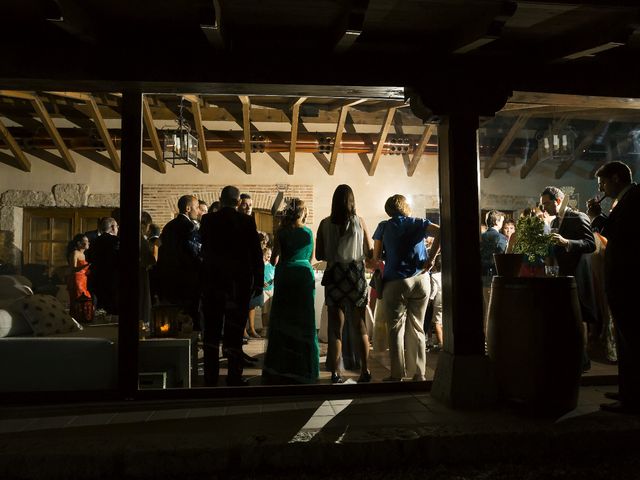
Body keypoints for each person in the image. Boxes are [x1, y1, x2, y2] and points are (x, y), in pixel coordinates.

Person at [588, 161, 640, 414]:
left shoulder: (634, 199)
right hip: (622, 280)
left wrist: (597, 217)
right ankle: (625, 390)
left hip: (628, 281)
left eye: (603, 183)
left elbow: (620, 236)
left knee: (631, 340)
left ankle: (632, 399)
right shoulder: (625, 199)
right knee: (623, 339)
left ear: (617, 178)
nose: (602, 188)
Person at [372, 194, 440, 381]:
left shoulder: (384, 227)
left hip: (395, 282)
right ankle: (419, 373)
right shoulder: (418, 223)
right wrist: (431, 259)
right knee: (417, 327)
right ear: (405, 207)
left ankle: (396, 374)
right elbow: (441, 232)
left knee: (395, 328)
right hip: (420, 279)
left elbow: (377, 257)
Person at [200, 186, 263, 386]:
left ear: (220, 199)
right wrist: (259, 281)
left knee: (211, 330)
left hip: (213, 282)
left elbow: (203, 247)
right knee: (234, 331)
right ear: (237, 202)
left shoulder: (208, 220)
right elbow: (256, 254)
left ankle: (210, 376)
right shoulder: (245, 221)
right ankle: (234, 376)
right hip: (238, 284)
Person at [316, 184, 373, 383]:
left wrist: (335, 249)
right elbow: (369, 252)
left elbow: (319, 254)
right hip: (355, 275)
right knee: (360, 325)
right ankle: (365, 371)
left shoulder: (324, 223)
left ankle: (336, 372)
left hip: (335, 275)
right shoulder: (360, 222)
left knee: (334, 327)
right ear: (352, 200)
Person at [540, 186, 596, 372]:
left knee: (579, 319)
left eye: (546, 204)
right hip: (564, 277)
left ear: (558, 201)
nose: (544, 208)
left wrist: (566, 243)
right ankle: (573, 360)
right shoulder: (556, 221)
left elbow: (590, 244)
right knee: (569, 321)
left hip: (578, 276)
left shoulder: (577, 216)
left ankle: (583, 362)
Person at [262, 198, 319, 384]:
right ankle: (303, 366)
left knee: (283, 318)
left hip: (286, 274)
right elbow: (312, 258)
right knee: (304, 319)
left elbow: (273, 260)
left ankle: (281, 365)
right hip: (303, 275)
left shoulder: (281, 232)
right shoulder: (309, 232)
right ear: (303, 213)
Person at [156, 195, 202, 330]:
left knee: (174, 315)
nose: (198, 211)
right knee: (189, 315)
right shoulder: (189, 227)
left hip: (170, 276)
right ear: (188, 208)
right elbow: (194, 252)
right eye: (197, 207)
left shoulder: (168, 226)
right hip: (187, 277)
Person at [88, 217, 120, 314]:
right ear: (113, 227)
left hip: (97, 276)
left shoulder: (94, 241)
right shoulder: (115, 241)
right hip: (112, 277)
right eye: (117, 226)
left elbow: (89, 257)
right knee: (112, 304)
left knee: (101, 304)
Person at [66, 233, 93, 323]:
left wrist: (88, 270)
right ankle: (75, 319)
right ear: (79, 243)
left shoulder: (83, 254)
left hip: (83, 279)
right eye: (86, 241)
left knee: (84, 299)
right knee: (77, 299)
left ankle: (83, 318)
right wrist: (86, 266)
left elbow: (83, 269)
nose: (89, 243)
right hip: (76, 279)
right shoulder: (75, 253)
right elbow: (73, 269)